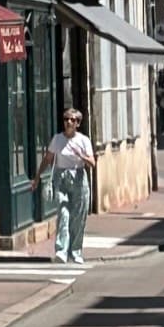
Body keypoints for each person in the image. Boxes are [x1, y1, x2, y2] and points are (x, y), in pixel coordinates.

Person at [39, 107, 98, 265]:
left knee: (78, 216)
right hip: (61, 178)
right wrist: (37, 176)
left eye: (72, 120)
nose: (68, 122)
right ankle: (61, 251)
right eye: (66, 119)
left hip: (78, 177)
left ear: (78, 123)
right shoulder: (58, 139)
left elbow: (92, 163)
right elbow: (48, 158)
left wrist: (81, 156)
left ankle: (76, 251)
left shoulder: (83, 140)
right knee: (63, 214)